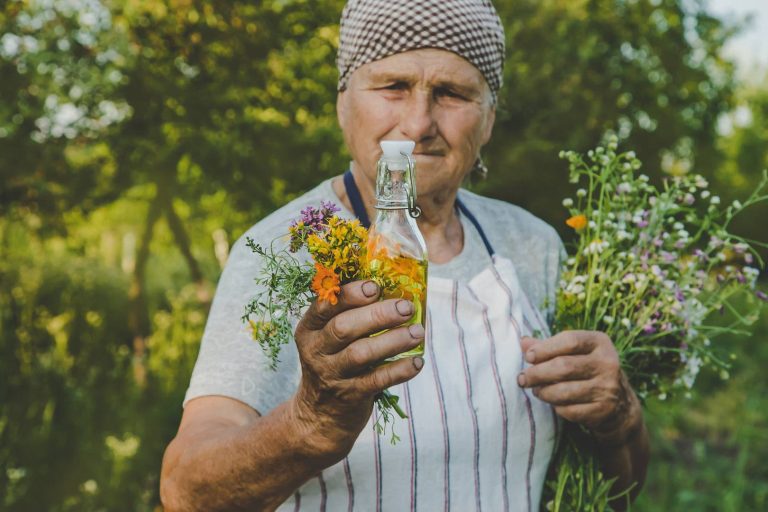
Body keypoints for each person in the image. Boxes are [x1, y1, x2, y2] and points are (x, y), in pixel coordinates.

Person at [160, 0, 650, 510]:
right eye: (393, 86)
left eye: (452, 93)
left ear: (488, 121)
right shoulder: (281, 251)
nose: (418, 124)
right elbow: (185, 491)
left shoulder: (532, 243)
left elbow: (618, 492)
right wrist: (309, 424)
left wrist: (620, 416)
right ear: (343, 104)